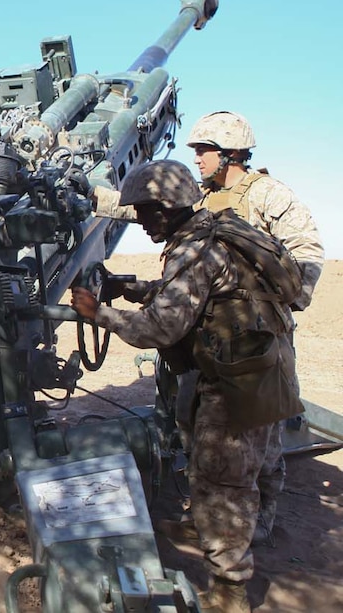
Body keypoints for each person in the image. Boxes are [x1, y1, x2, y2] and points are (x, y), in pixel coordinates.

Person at [70, 159, 303, 613]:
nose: (138, 219)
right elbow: (200, 293)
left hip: (236, 385)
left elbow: (161, 329)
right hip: (266, 369)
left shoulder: (192, 251)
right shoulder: (216, 232)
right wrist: (134, 288)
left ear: (165, 208)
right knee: (249, 469)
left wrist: (99, 314)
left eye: (143, 211)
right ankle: (223, 530)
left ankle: (230, 590)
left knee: (224, 483)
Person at [93, 110, 324, 546]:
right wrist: (90, 196)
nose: (197, 158)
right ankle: (209, 516)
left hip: (256, 334)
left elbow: (306, 250)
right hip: (205, 329)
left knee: (262, 434)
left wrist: (281, 299)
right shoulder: (203, 198)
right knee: (199, 425)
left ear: (232, 153)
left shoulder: (269, 196)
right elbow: (151, 207)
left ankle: (255, 525)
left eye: (205, 151)